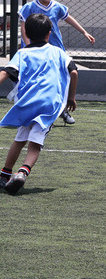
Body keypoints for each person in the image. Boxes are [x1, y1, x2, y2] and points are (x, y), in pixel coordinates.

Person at [0, 14, 78, 195]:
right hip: (50, 104)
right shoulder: (58, 52)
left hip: (28, 102)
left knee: (20, 138)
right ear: (48, 34)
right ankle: (22, 172)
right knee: (36, 141)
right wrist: (71, 98)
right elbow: (74, 72)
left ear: (26, 32)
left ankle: (4, 174)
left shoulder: (22, 53)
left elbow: (7, 72)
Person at [18, 0, 95, 125]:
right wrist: (28, 46)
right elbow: (23, 27)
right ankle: (32, 111)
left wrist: (84, 32)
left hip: (55, 49)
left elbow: (68, 18)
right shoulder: (29, 7)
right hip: (34, 50)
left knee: (61, 79)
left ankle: (63, 110)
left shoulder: (57, 7)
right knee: (35, 80)